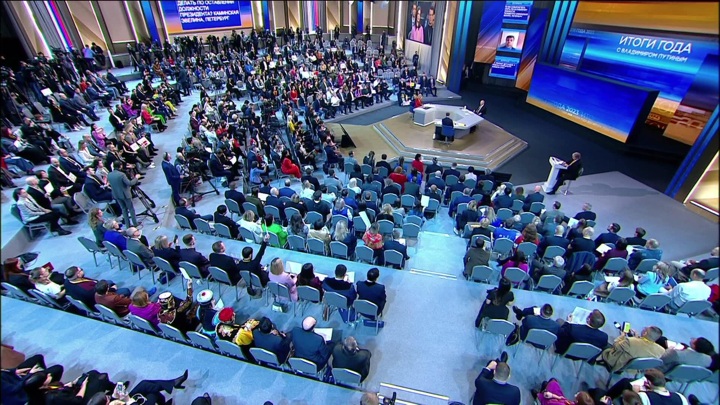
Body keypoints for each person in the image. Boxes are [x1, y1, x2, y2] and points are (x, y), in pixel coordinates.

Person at [85, 370, 189, 405]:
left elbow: (115, 397)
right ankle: (172, 385)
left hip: (126, 402)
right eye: (108, 397)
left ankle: (173, 383)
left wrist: (115, 395)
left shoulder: (109, 401)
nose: (109, 396)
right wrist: (128, 400)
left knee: (145, 384)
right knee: (152, 394)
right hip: (131, 403)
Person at [599, 326, 665, 372]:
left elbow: (615, 345)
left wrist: (622, 336)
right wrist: (637, 338)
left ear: (645, 333)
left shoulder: (630, 341)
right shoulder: (661, 350)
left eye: (645, 329)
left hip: (619, 364)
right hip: (635, 369)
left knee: (606, 345)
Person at [107, 161, 140, 227]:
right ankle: (135, 223)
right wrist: (136, 178)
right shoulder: (121, 175)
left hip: (116, 195)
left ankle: (127, 225)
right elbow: (130, 183)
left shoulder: (109, 175)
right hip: (125, 194)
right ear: (120, 166)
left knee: (123, 209)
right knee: (131, 209)